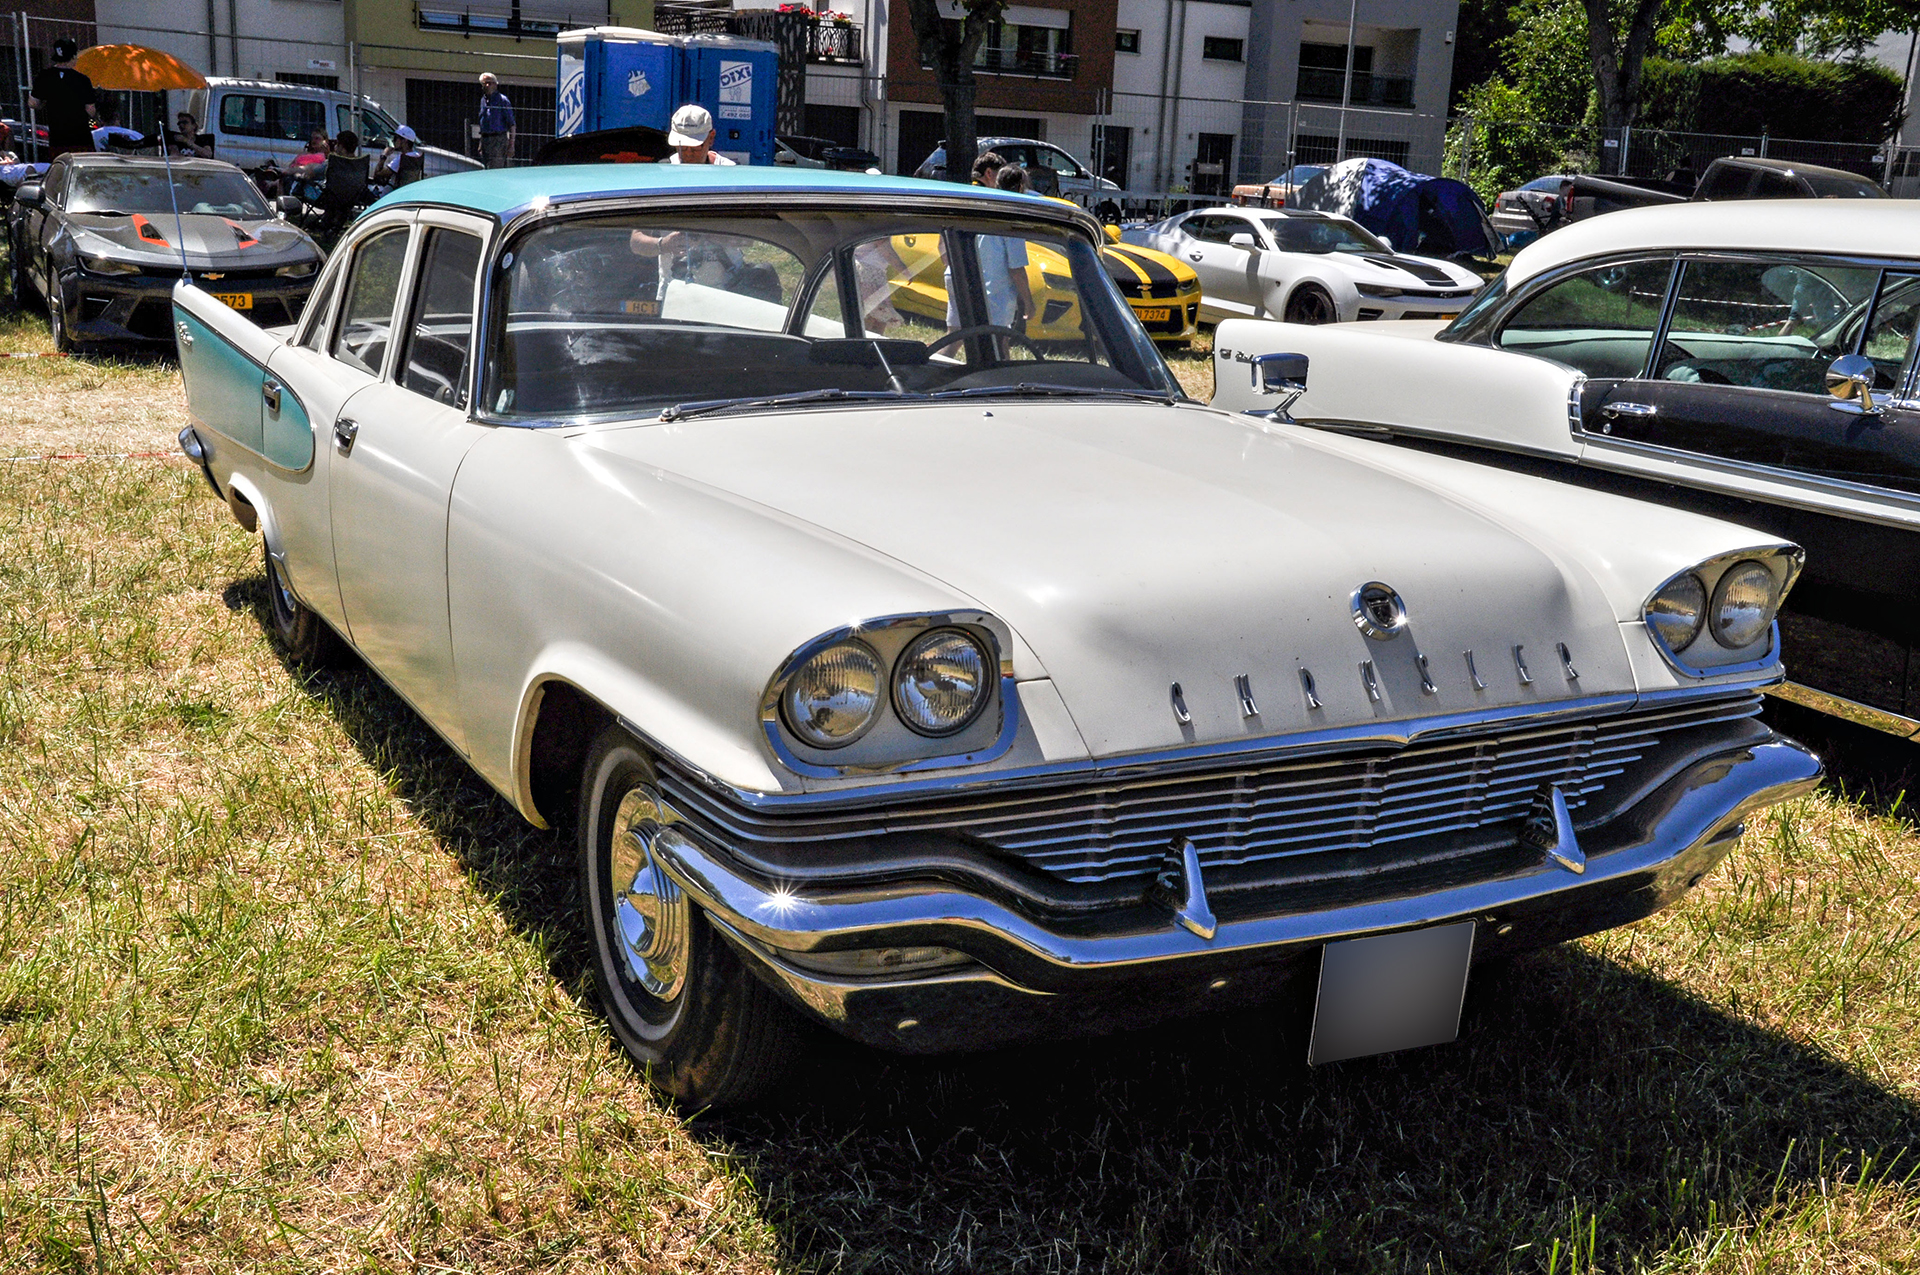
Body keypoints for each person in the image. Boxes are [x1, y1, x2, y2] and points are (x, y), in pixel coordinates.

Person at [28, 38, 95, 161]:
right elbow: (90, 109)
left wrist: (44, 104)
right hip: (80, 135)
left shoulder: (44, 76)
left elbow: (33, 103)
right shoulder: (82, 80)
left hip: (57, 135)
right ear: (73, 56)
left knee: (60, 166)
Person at [664, 104, 735, 165]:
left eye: (695, 147)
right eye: (682, 147)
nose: (688, 154)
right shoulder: (665, 169)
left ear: (711, 138)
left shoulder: (729, 172)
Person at [476, 73, 515, 168]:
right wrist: (481, 143)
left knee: (496, 168)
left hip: (498, 139)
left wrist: (511, 145)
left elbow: (512, 124)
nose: (487, 85)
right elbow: (483, 122)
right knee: (486, 167)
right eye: (484, 83)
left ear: (495, 84)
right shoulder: (483, 101)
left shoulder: (502, 100)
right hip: (485, 139)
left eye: (490, 83)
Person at [372, 125, 424, 190]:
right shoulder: (417, 156)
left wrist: (384, 156)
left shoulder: (401, 159)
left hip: (394, 192)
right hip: (408, 191)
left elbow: (377, 175)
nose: (393, 141)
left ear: (404, 141)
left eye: (395, 138)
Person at [289, 129, 330, 203]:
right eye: (312, 138)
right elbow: (291, 165)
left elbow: (313, 171)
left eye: (317, 138)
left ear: (325, 141)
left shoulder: (325, 157)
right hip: (296, 175)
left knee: (286, 179)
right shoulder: (306, 153)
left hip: (307, 182)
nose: (314, 141)